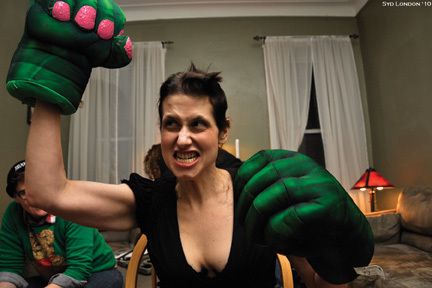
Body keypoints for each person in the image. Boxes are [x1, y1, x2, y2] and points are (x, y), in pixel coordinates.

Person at [6, 1, 374, 287]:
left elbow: (322, 283)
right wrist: (49, 89)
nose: (182, 138)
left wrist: (333, 257)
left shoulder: (261, 195)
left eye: (198, 124)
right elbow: (47, 192)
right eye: (171, 124)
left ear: (222, 130)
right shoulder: (151, 202)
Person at [0, 160, 123, 288]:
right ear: (16, 198)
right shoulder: (14, 213)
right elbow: (9, 268)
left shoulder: (73, 205)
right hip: (55, 277)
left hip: (97, 272)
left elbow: (79, 268)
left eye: (38, 187)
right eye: (24, 192)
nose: (34, 197)